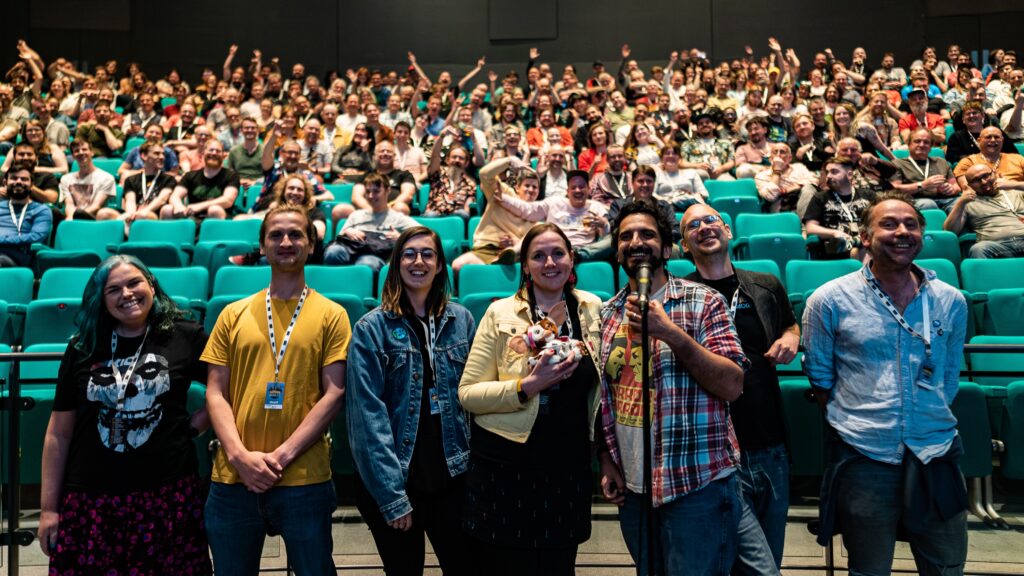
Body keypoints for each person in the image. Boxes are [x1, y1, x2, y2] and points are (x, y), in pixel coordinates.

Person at [803, 192, 969, 576]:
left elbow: (948, 375)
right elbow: (822, 379)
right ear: (865, 237)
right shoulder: (830, 300)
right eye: (889, 224)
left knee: (946, 566)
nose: (902, 232)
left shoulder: (951, 301)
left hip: (936, 450)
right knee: (869, 569)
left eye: (911, 224)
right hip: (866, 455)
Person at [597, 199, 747, 575]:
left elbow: (732, 385)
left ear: (666, 249)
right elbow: (607, 399)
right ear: (617, 251)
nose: (636, 242)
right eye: (626, 236)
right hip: (635, 489)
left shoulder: (704, 302)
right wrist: (607, 460)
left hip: (696, 485)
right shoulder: (608, 313)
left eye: (647, 234)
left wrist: (671, 334)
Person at [39, 255, 212, 574]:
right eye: (113, 289)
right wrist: (48, 509)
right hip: (91, 502)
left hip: (167, 498)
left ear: (151, 284)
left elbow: (224, 389)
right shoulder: (83, 347)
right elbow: (58, 433)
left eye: (134, 283)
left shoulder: (185, 335)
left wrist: (195, 426)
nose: (127, 294)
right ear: (101, 300)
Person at [202, 206, 350, 575]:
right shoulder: (232, 313)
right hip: (233, 478)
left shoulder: (333, 314)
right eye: (276, 236)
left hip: (304, 478)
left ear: (312, 244)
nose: (286, 242)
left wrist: (279, 458)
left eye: (296, 235)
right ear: (263, 246)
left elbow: (335, 393)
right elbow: (215, 393)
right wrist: (239, 457)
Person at [459, 223, 603, 575]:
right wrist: (527, 386)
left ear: (572, 259)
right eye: (538, 256)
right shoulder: (500, 313)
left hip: (568, 465)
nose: (549, 262)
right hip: (506, 462)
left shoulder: (592, 308)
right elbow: (468, 395)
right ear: (525, 266)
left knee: (559, 564)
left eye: (558, 253)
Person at [346, 226, 475, 576]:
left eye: (428, 254)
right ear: (396, 263)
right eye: (409, 253)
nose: (418, 261)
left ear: (440, 265)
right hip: (397, 478)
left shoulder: (461, 320)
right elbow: (367, 419)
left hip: (452, 475)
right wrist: (392, 497)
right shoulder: (371, 329)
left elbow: (475, 401)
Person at [680, 204, 800, 575]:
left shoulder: (765, 284)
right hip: (713, 451)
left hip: (769, 445)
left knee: (770, 555)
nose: (704, 228)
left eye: (710, 220)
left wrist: (791, 337)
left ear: (728, 230)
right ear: (685, 244)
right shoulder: (680, 293)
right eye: (692, 226)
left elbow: (790, 325)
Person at [491, 168, 610, 255]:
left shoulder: (597, 207)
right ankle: (513, 252)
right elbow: (528, 210)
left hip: (584, 251)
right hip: (555, 248)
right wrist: (504, 199)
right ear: (567, 191)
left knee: (611, 241)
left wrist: (604, 225)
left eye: (582, 187)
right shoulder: (554, 202)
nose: (577, 190)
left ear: (588, 190)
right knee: (539, 227)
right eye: (573, 187)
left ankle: (577, 256)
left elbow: (604, 239)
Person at [450, 157, 538, 271]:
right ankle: (492, 270)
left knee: (539, 229)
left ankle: (505, 259)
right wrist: (508, 161)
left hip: (514, 256)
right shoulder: (504, 193)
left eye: (534, 187)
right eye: (527, 185)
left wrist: (513, 243)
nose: (531, 190)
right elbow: (484, 174)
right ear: (517, 187)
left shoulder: (537, 213)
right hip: (486, 250)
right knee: (458, 266)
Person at [323, 172, 419, 271]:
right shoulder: (356, 215)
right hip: (349, 249)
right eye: (368, 191)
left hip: (373, 256)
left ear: (387, 191)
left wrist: (401, 237)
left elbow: (424, 234)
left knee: (366, 264)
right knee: (333, 252)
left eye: (376, 191)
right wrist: (348, 231)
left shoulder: (397, 218)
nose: (371, 196)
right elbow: (339, 237)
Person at [804, 156, 878, 259]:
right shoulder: (820, 197)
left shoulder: (868, 195)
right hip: (836, 249)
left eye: (834, 172)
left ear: (849, 174)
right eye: (827, 172)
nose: (828, 176)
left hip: (866, 243)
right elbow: (810, 228)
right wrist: (834, 233)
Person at [944, 164, 1024, 258]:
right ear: (969, 185)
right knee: (979, 249)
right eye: (976, 180)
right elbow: (950, 231)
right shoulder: (967, 202)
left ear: (995, 173)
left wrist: (1013, 184)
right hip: (999, 246)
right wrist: (961, 202)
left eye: (986, 176)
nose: (983, 182)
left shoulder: (1016, 192)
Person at [162, 140, 239, 221]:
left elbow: (228, 200)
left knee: (214, 209)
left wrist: (200, 206)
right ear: (203, 154)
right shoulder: (190, 175)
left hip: (219, 217)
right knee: (167, 209)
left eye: (218, 151)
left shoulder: (231, 176)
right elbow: (175, 196)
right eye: (211, 150)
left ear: (223, 155)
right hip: (192, 216)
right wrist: (178, 206)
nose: (214, 153)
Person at [889, 128, 961, 212]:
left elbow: (956, 187)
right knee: (929, 204)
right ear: (908, 144)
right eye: (917, 141)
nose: (922, 145)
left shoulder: (941, 162)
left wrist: (950, 189)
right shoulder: (897, 164)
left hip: (945, 200)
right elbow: (894, 189)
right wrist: (922, 185)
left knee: (962, 204)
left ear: (931, 146)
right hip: (916, 200)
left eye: (926, 142)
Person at [0, 161, 52, 267]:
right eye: (14, 178)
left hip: (17, 257)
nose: (19, 182)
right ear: (5, 182)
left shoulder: (41, 210)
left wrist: (2, 240)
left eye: (24, 179)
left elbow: (36, 237)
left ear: (32, 184)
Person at [121, 142, 177, 229]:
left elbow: (162, 199)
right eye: (157, 153)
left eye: (163, 154)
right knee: (107, 214)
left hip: (155, 215)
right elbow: (130, 200)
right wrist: (131, 213)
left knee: (143, 216)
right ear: (144, 156)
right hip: (135, 214)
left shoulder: (169, 179)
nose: (162, 157)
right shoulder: (131, 180)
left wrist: (144, 211)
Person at [59, 140, 119, 221]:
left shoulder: (106, 178)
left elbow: (96, 206)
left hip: (94, 218)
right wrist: (71, 218)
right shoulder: (65, 179)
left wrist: (75, 218)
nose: (81, 152)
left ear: (92, 152)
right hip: (73, 217)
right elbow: (69, 205)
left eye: (84, 149)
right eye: (76, 151)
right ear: (73, 156)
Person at [754, 142, 818, 214]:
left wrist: (790, 189)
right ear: (770, 158)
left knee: (809, 189)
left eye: (782, 152)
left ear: (789, 158)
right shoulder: (761, 176)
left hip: (803, 203)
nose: (778, 155)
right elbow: (771, 196)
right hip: (781, 210)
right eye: (775, 152)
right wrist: (777, 171)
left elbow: (814, 181)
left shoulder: (799, 167)